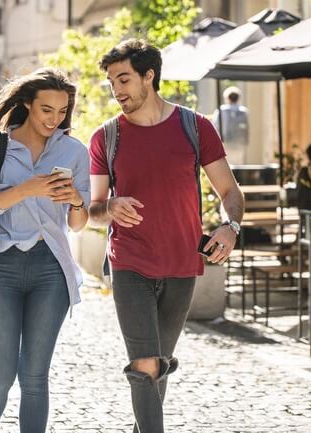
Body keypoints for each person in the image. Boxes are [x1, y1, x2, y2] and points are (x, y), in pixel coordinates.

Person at [88, 39, 245, 433]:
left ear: (149, 76)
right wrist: (109, 208)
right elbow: (91, 210)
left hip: (180, 266)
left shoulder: (195, 127)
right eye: (111, 82)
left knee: (157, 367)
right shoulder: (106, 138)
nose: (116, 90)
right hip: (129, 263)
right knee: (144, 364)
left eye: (123, 79)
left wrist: (231, 226)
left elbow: (230, 191)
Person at [0, 68, 90, 433]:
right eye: (46, 110)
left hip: (51, 269)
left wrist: (77, 200)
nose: (55, 119)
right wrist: (28, 188)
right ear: (26, 105)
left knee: (35, 376)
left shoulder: (74, 151)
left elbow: (78, 223)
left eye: (62, 111)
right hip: (0, 267)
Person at [211, 86, 249, 165]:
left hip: (225, 142)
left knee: (227, 165)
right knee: (238, 165)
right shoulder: (243, 111)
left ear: (227, 98)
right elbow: (246, 128)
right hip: (239, 143)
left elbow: (214, 126)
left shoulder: (221, 110)